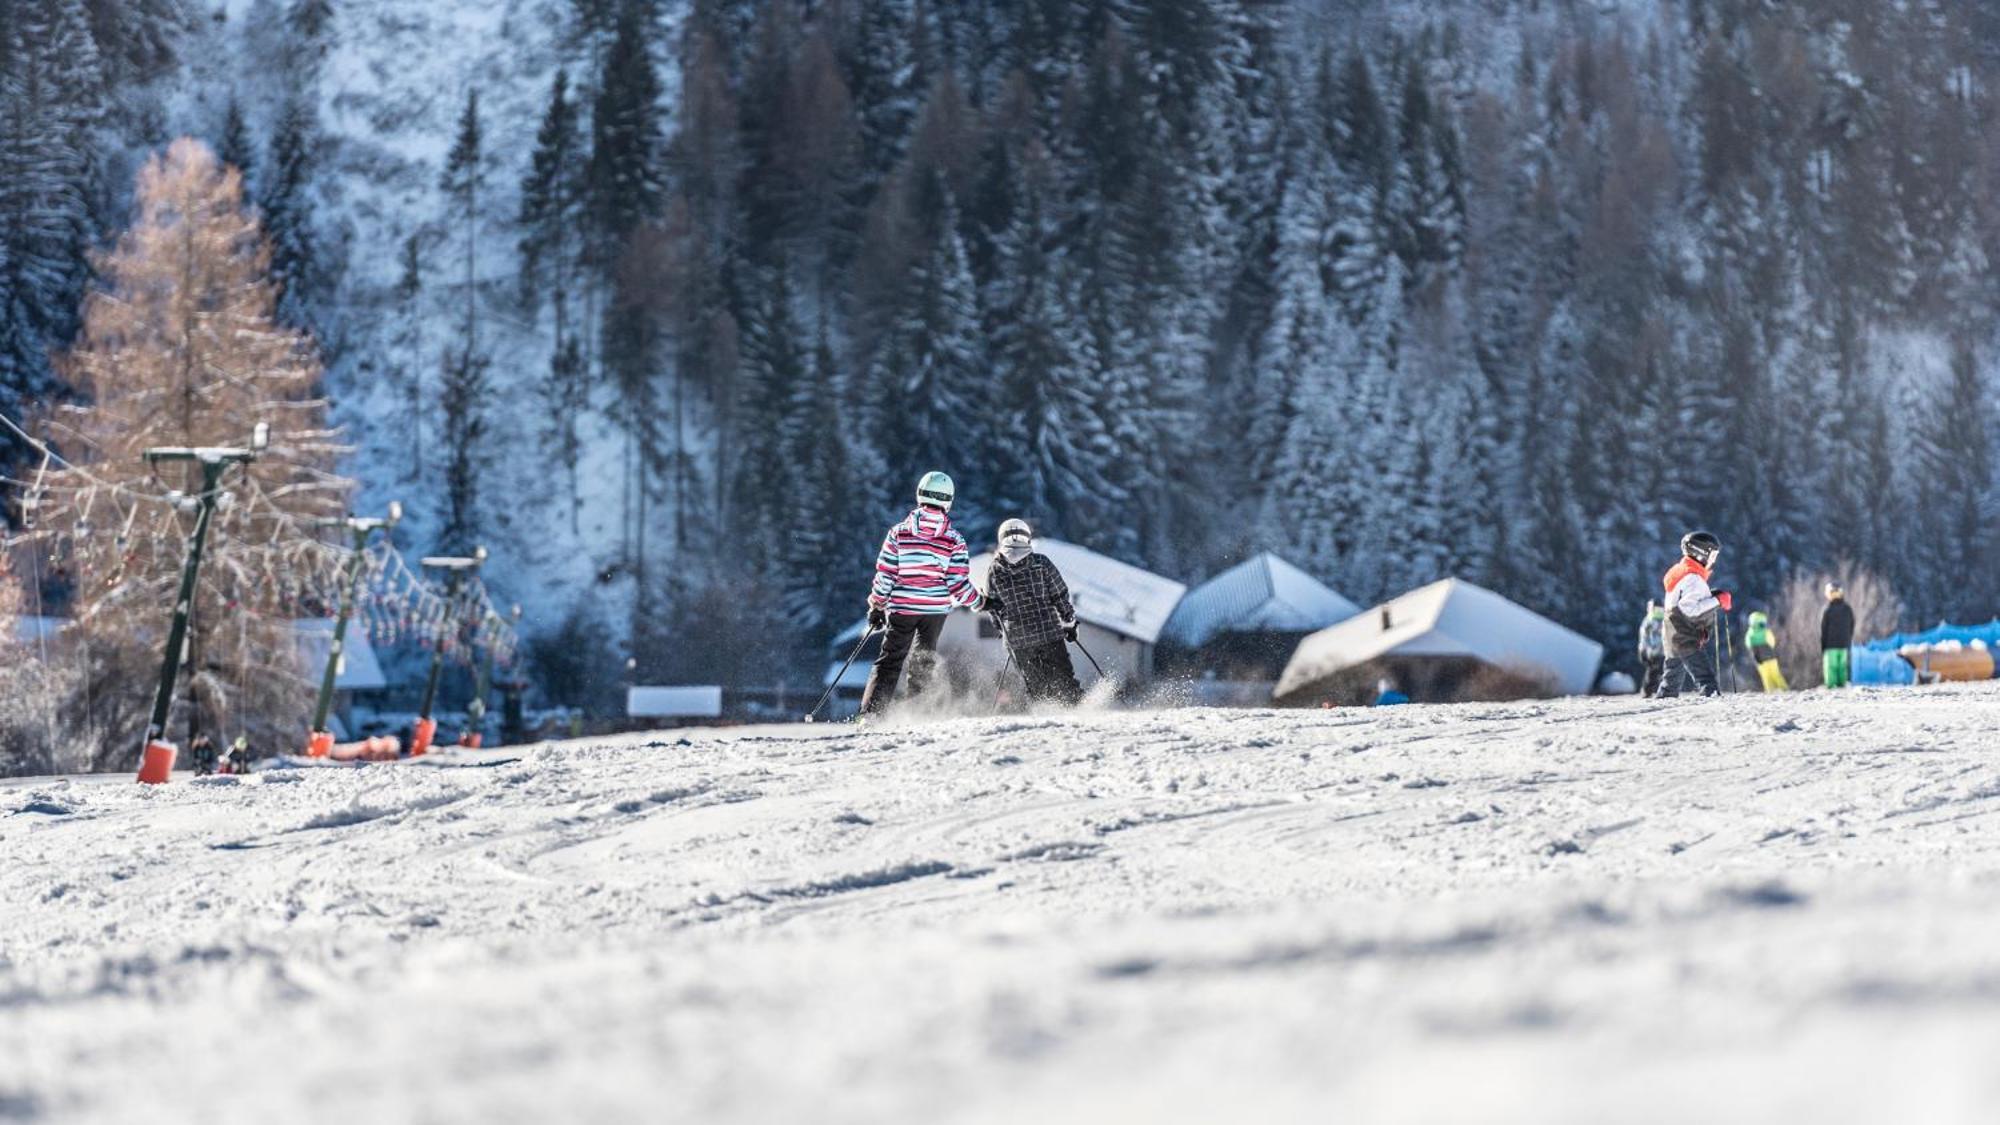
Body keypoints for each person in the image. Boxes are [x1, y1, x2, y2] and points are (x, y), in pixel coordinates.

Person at [859, 471, 988, 714]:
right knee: (923, 661)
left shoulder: (899, 533)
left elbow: (886, 574)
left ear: (920, 495)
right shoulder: (954, 540)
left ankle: (872, 715)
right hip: (934, 611)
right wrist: (981, 602)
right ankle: (915, 715)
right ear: (948, 500)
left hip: (902, 608)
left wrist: (877, 606)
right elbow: (958, 585)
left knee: (890, 661)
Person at [984, 519, 1083, 706]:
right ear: (1027, 538)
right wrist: (1069, 623)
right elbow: (1059, 594)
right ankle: (1076, 714)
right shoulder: (1041, 563)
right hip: (1049, 634)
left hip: (1018, 641)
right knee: (1064, 681)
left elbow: (993, 607)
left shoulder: (994, 571)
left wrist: (1001, 629)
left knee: (1036, 687)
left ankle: (1047, 718)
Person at [1656, 530, 1731, 698]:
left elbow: (1687, 600)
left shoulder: (1684, 573)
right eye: (1712, 555)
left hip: (1672, 634)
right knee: (1705, 677)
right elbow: (1690, 609)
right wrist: (1718, 601)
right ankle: (1713, 701)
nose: (1714, 560)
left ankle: (1663, 702)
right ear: (1701, 554)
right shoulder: (1693, 578)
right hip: (1685, 636)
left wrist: (1711, 595)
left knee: (1671, 681)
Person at [1744, 610, 1789, 692]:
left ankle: (1770, 691)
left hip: (1759, 658)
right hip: (1770, 656)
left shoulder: (1750, 634)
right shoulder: (1766, 631)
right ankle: (1784, 689)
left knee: (1766, 677)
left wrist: (1755, 655)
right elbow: (1772, 642)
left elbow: (1749, 646)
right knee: (1776, 675)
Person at [1821, 583, 1855, 689]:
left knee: (1831, 667)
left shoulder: (1827, 610)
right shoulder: (1847, 609)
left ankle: (1831, 686)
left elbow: (1823, 629)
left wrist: (1823, 645)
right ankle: (1842, 685)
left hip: (1830, 645)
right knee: (1842, 667)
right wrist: (1848, 639)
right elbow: (1852, 625)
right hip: (1844, 644)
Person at [1637, 601, 1667, 697]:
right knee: (1652, 671)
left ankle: (1662, 690)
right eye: (1656, 610)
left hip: (1664, 650)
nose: (1659, 612)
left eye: (1661, 610)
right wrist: (1642, 650)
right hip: (1652, 651)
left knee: (1665, 671)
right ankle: (1647, 690)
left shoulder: (1665, 620)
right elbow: (1644, 637)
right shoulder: (1648, 621)